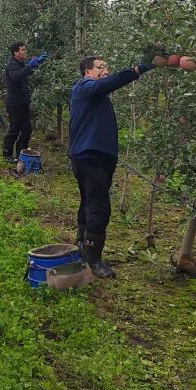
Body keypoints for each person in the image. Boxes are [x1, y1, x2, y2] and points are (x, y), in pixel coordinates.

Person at [69, 54, 155, 278]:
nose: (105, 71)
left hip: (92, 156)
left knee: (89, 202)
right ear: (88, 71)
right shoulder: (85, 86)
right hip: (91, 157)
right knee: (99, 207)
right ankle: (92, 260)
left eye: (106, 67)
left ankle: (81, 244)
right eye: (100, 67)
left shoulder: (92, 92)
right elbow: (109, 83)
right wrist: (136, 70)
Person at [1, 42, 47, 163]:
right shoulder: (12, 64)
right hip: (14, 103)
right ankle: (6, 153)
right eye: (22, 50)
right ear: (16, 52)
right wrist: (29, 66)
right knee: (15, 128)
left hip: (22, 101)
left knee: (27, 129)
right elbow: (17, 76)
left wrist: (36, 64)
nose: (25, 51)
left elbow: (26, 73)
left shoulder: (20, 63)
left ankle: (21, 153)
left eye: (25, 49)